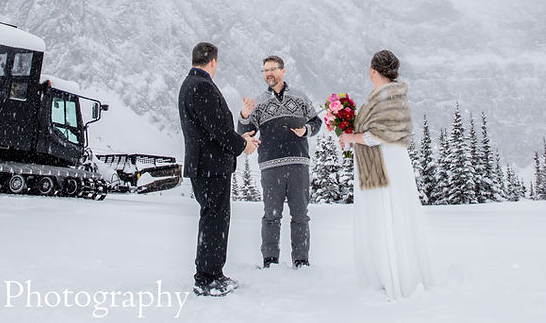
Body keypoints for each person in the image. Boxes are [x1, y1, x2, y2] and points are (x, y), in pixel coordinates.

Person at [339, 49, 433, 299]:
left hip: (385, 163)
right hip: (392, 161)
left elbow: (377, 135)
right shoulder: (394, 94)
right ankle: (397, 271)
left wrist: (350, 136)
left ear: (373, 71)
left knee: (384, 215)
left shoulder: (384, 97)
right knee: (395, 215)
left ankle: (390, 275)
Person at [179, 42, 260, 297]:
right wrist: (243, 145)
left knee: (212, 219)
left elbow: (210, 128)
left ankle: (211, 273)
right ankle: (208, 278)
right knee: (215, 220)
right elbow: (218, 130)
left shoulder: (189, 85)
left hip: (205, 164)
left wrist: (238, 139)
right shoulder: (202, 86)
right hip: (211, 167)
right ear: (213, 62)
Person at [238, 55, 322, 269]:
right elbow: (245, 134)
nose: (269, 74)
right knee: (271, 216)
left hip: (298, 164)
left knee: (300, 215)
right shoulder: (258, 103)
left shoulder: (300, 97)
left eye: (273, 69)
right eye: (265, 70)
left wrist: (306, 130)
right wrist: (244, 115)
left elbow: (316, 121)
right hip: (270, 166)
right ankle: (270, 260)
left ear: (283, 71)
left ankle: (301, 261)